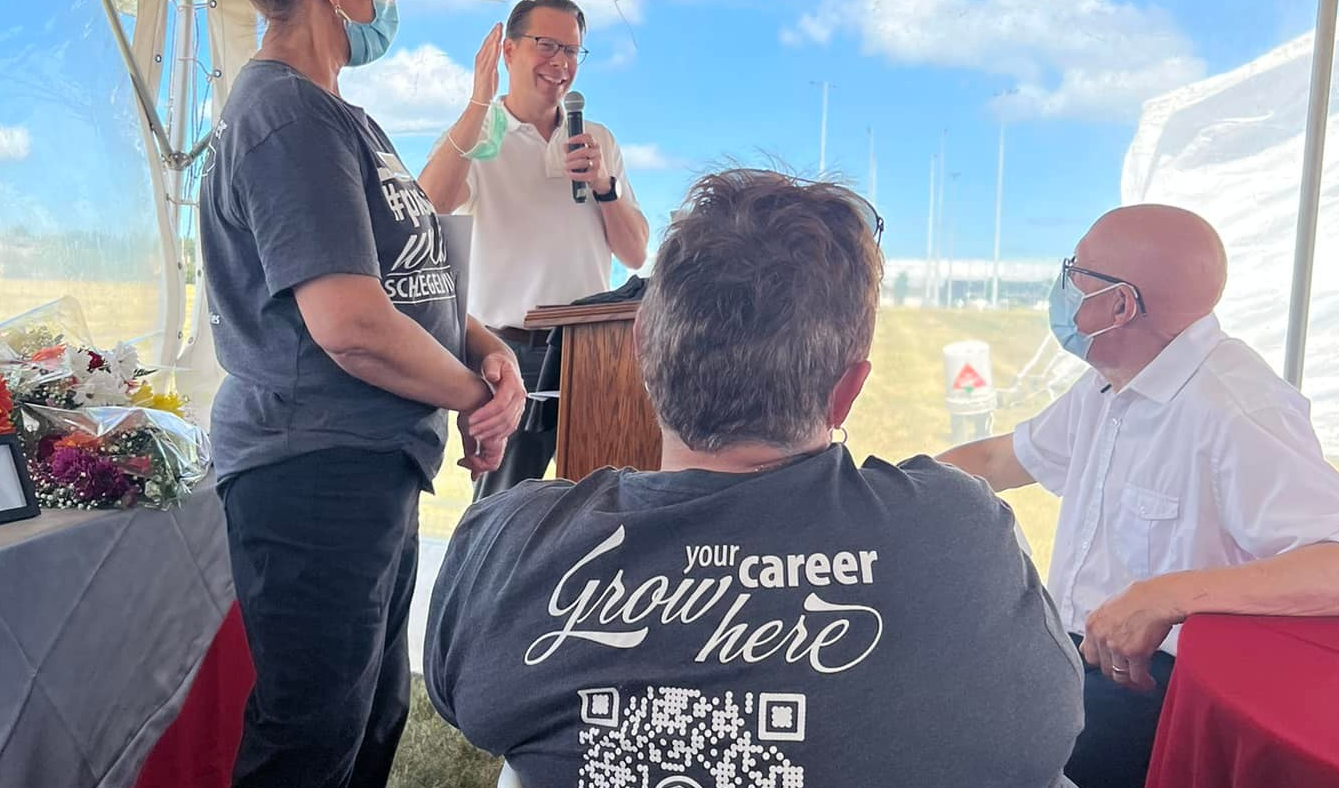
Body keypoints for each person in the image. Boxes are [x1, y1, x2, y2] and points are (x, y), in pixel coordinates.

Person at [425, 169, 1084, 788]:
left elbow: (471, 706)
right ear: (848, 390)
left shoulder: (508, 544)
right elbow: (1048, 729)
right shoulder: (960, 533)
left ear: (643, 351)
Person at [199, 0, 525, 788]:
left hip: (366, 467)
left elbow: (410, 286)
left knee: (369, 720)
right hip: (313, 471)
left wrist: (485, 352)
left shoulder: (340, 115)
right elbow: (350, 325)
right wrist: (474, 396)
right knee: (312, 737)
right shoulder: (284, 114)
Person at [939, 203, 1339, 788]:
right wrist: (868, 490)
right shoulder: (1114, 381)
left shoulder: (1235, 407)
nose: (1061, 286)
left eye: (1074, 271)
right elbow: (996, 461)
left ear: (1120, 305)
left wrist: (1165, 597)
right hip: (1076, 659)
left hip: (1157, 694)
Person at [418, 0, 651, 487]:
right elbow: (428, 207)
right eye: (547, 45)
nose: (560, 63)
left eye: (572, 51)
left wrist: (605, 186)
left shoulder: (597, 140)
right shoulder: (478, 136)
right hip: (509, 352)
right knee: (501, 511)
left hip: (592, 350)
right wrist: (478, 103)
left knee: (601, 506)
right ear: (508, 52)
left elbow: (634, 253)